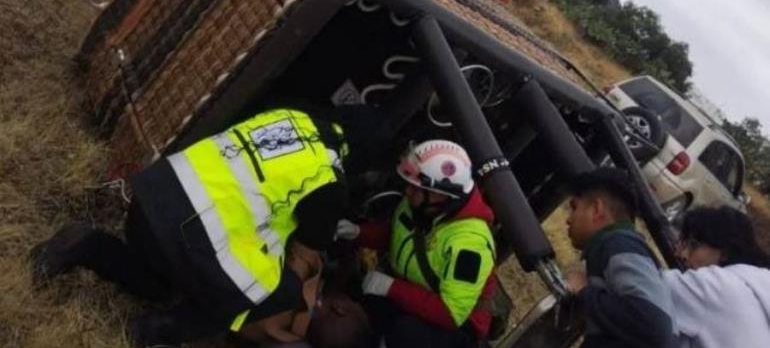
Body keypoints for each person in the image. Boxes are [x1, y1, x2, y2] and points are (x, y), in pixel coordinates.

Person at [31, 108, 353, 346]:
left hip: (151, 199)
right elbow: (306, 254)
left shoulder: (291, 117)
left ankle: (86, 244)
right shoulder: (328, 178)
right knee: (281, 290)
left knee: (157, 286)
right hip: (189, 232)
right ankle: (163, 330)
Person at [336, 139, 497, 348]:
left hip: (456, 327)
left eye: (415, 189)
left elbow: (450, 314)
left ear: (440, 194)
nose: (407, 192)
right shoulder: (422, 205)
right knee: (362, 301)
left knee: (405, 334)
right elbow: (397, 237)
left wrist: (391, 287)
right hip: (415, 295)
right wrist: (358, 233)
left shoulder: (470, 246)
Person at [564, 167, 674, 348]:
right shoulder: (616, 248)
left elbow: (654, 326)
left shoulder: (619, 244)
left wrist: (583, 291)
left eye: (574, 207)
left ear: (597, 210)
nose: (568, 219)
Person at [663, 206, 770, 348]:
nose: (681, 254)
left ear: (724, 253)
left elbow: (645, 284)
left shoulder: (716, 286)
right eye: (681, 244)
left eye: (692, 245)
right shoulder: (762, 280)